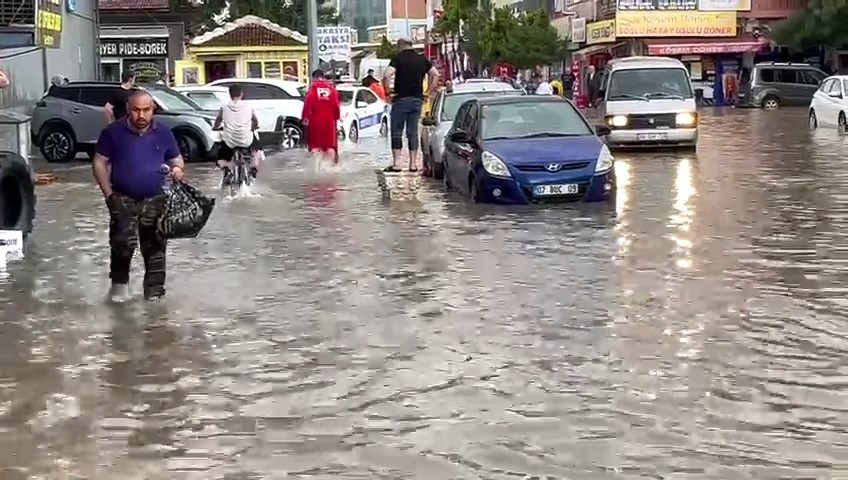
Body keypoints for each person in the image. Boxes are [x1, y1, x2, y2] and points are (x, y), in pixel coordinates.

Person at [92, 90, 185, 302]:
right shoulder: (112, 133)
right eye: (136, 110)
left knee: (155, 252)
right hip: (122, 198)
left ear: (153, 110)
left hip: (156, 200)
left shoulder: (163, 132)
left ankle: (154, 300)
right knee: (122, 245)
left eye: (146, 110)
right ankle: (118, 293)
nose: (141, 116)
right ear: (127, 109)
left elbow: (176, 160)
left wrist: (178, 170)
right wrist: (108, 194)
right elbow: (99, 162)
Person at [381, 37, 439, 172]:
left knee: (396, 132)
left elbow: (386, 76)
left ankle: (397, 164)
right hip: (417, 100)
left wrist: (388, 92)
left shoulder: (398, 59)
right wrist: (428, 92)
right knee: (412, 133)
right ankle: (413, 164)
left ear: (400, 46)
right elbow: (435, 75)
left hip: (401, 99)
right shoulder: (422, 59)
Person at [214, 84, 261, 183]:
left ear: (230, 94)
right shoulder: (248, 106)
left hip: (229, 141)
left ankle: (227, 168)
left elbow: (218, 120)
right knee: (256, 148)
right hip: (246, 140)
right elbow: (255, 120)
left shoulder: (224, 107)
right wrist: (255, 126)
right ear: (241, 94)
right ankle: (253, 167)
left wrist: (215, 127)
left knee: (219, 157)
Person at [301, 69, 341, 164]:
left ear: (314, 78)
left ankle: (317, 169)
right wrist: (337, 117)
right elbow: (336, 106)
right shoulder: (332, 90)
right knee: (330, 146)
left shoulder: (312, 90)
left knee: (315, 146)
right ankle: (330, 168)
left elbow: (307, 105)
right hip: (329, 123)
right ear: (323, 77)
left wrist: (305, 118)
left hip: (315, 122)